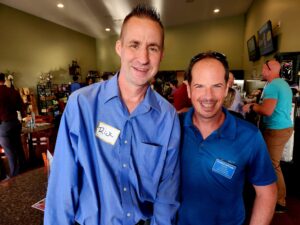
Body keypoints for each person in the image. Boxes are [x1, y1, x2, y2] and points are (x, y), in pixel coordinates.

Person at [44, 4, 180, 225]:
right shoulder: (82, 105)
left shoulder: (168, 117)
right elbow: (62, 187)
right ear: (119, 48)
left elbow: (167, 195)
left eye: (153, 48)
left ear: (161, 55)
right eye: (134, 45)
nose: (143, 58)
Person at [177, 51, 277, 225]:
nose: (208, 96)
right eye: (199, 86)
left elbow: (266, 192)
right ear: (188, 89)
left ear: (225, 89)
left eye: (216, 86)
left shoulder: (249, 136)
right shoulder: (172, 129)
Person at [243, 59, 293, 213]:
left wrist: (251, 106)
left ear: (269, 70)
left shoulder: (273, 86)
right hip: (283, 127)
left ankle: (280, 201)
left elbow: (267, 111)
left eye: (263, 68)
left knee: (272, 164)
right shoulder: (282, 84)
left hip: (276, 130)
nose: (261, 71)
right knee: (272, 163)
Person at [0, 72, 26, 177]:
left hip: (3, 125)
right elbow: (22, 107)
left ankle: (15, 177)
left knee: (10, 153)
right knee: (19, 148)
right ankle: (25, 171)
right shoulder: (13, 91)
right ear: (4, 79)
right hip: (15, 123)